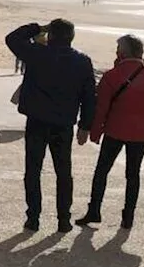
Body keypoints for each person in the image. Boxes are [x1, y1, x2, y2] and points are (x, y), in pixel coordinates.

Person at [6, 19, 97, 233]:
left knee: (33, 170)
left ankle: (33, 218)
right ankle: (63, 220)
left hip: (37, 120)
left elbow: (12, 38)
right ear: (71, 37)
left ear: (51, 36)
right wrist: (85, 126)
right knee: (63, 172)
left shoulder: (37, 53)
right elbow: (89, 97)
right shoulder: (82, 61)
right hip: (63, 124)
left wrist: (38, 28)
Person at [76, 34, 144, 229]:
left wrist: (95, 132)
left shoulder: (112, 75)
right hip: (142, 132)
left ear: (124, 52)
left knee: (102, 171)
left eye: (118, 48)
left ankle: (94, 210)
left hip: (115, 130)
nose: (116, 51)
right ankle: (128, 217)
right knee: (132, 174)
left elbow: (101, 106)